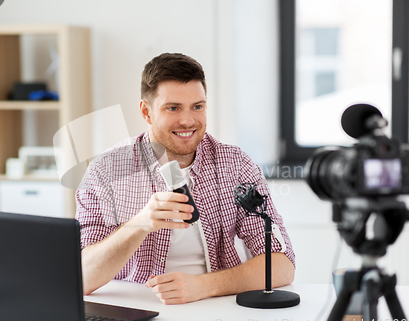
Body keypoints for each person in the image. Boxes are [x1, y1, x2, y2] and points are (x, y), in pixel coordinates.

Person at [77, 53, 295, 305]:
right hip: (136, 310)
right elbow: (82, 277)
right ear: (146, 112)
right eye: (173, 108)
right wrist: (139, 224)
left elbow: (282, 265)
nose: (188, 120)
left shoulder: (236, 164)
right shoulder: (106, 170)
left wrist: (203, 286)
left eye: (198, 106)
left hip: (213, 305)